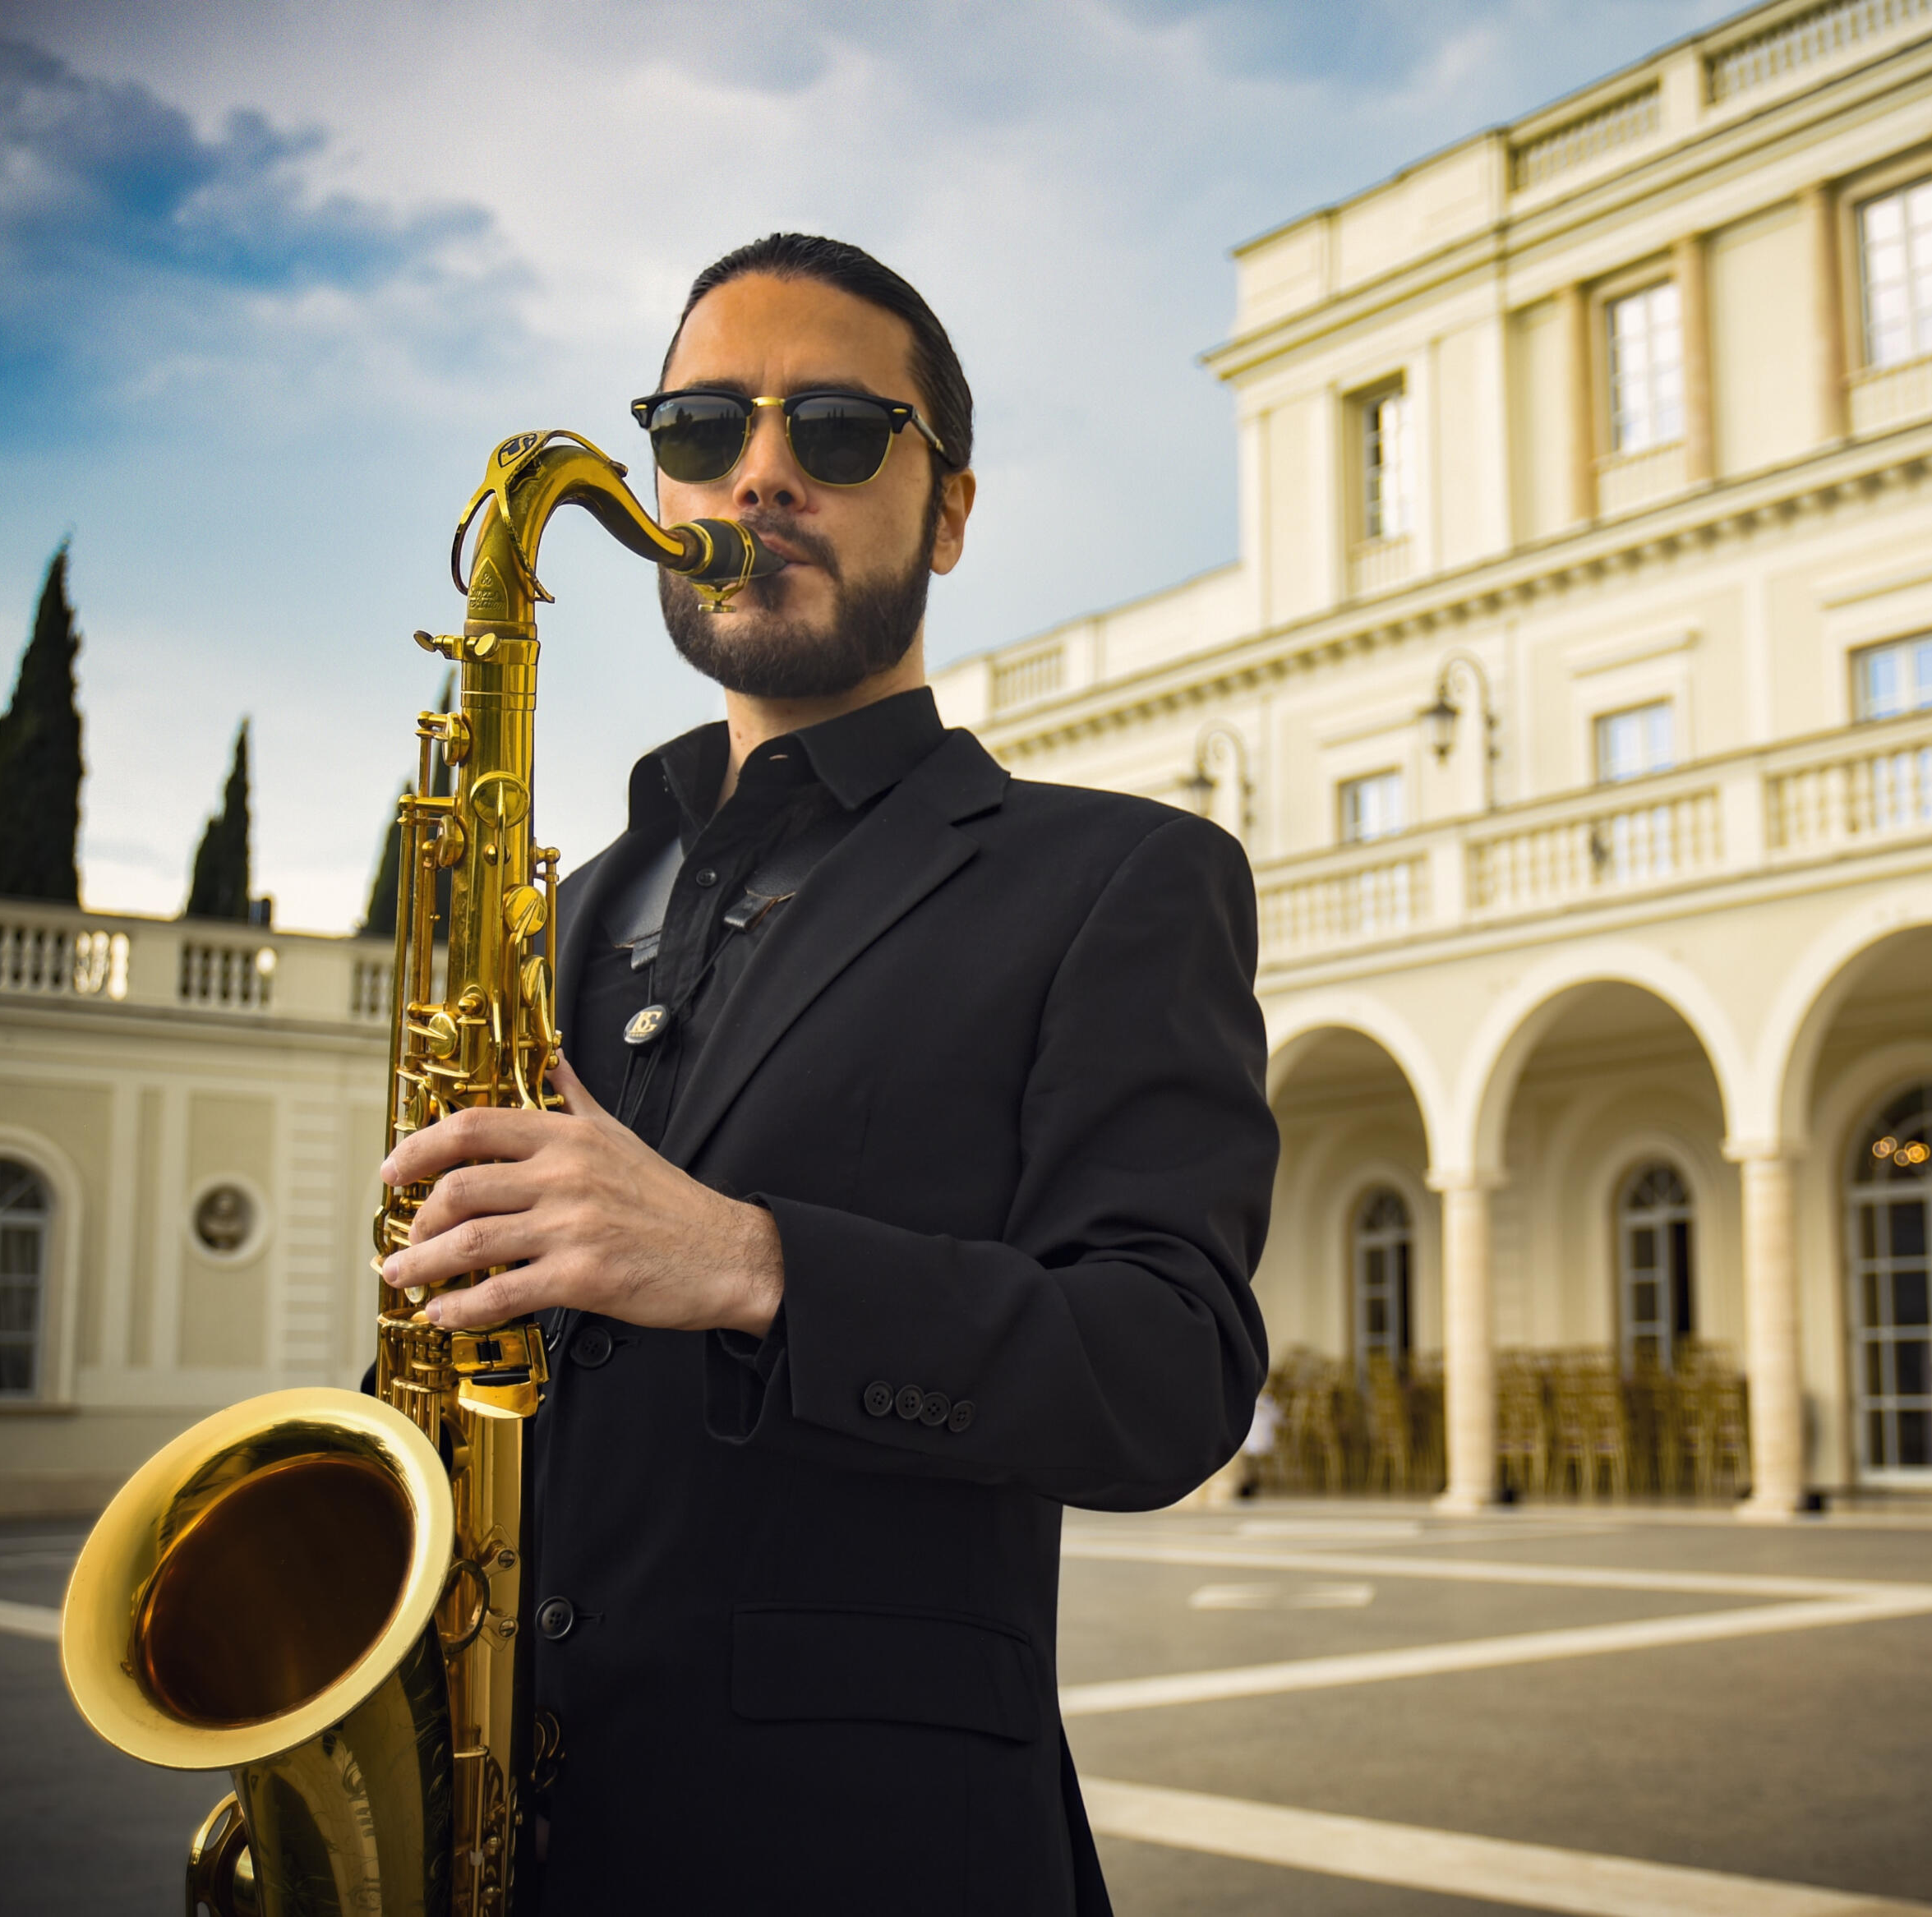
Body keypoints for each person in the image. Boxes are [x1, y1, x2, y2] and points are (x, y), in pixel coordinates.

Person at [378, 233, 1278, 1917]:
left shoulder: (1117, 880)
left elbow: (1169, 1371)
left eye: (840, 432)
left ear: (945, 510)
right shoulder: (555, 916)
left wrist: (746, 1263)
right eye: (703, 427)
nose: (761, 470)